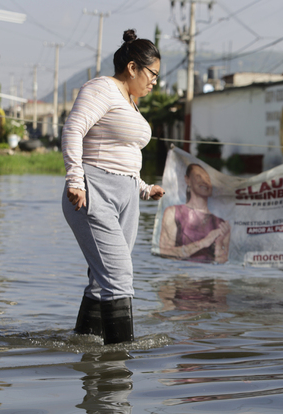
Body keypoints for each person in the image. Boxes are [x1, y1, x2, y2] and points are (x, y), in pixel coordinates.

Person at [62, 29, 165, 344]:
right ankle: (120, 362)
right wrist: (75, 179)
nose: (155, 82)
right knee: (120, 277)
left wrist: (145, 188)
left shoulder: (131, 102)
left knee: (102, 280)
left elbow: (125, 154)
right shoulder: (102, 88)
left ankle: (88, 350)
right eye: (152, 74)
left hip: (127, 196)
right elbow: (73, 130)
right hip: (95, 191)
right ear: (132, 67)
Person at [159, 163, 231, 263]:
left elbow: (222, 263)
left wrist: (220, 244)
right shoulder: (173, 213)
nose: (204, 181)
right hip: (180, 275)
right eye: (199, 176)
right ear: (187, 180)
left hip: (207, 276)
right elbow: (164, 252)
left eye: (208, 179)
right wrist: (202, 243)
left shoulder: (221, 224)